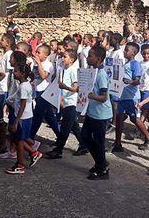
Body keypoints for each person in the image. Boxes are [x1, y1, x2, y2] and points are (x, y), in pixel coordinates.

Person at [46, 50, 86, 159]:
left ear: (71, 60)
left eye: (65, 57)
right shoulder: (64, 69)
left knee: (65, 128)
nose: (63, 59)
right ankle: (84, 144)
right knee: (74, 126)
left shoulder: (73, 70)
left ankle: (58, 150)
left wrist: (65, 87)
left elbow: (75, 88)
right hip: (65, 102)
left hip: (71, 103)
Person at [81, 45, 112, 180]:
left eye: (90, 56)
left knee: (99, 142)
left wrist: (92, 96)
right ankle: (101, 162)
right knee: (85, 136)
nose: (88, 58)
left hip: (100, 114)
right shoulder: (91, 72)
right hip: (91, 111)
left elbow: (104, 97)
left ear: (98, 59)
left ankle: (102, 170)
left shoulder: (101, 75)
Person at [6, 63, 43, 174]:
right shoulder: (24, 85)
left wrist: (16, 121)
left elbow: (22, 104)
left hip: (23, 118)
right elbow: (16, 99)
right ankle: (33, 153)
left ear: (22, 74)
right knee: (20, 138)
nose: (13, 73)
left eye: (16, 71)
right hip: (24, 117)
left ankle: (21, 164)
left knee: (19, 140)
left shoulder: (24, 87)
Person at [30, 44, 60, 139]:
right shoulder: (35, 63)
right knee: (49, 116)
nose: (36, 54)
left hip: (44, 92)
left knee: (38, 115)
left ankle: (30, 135)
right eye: (36, 52)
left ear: (45, 55)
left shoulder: (48, 65)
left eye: (39, 53)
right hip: (37, 91)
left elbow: (43, 76)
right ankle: (60, 135)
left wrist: (38, 63)